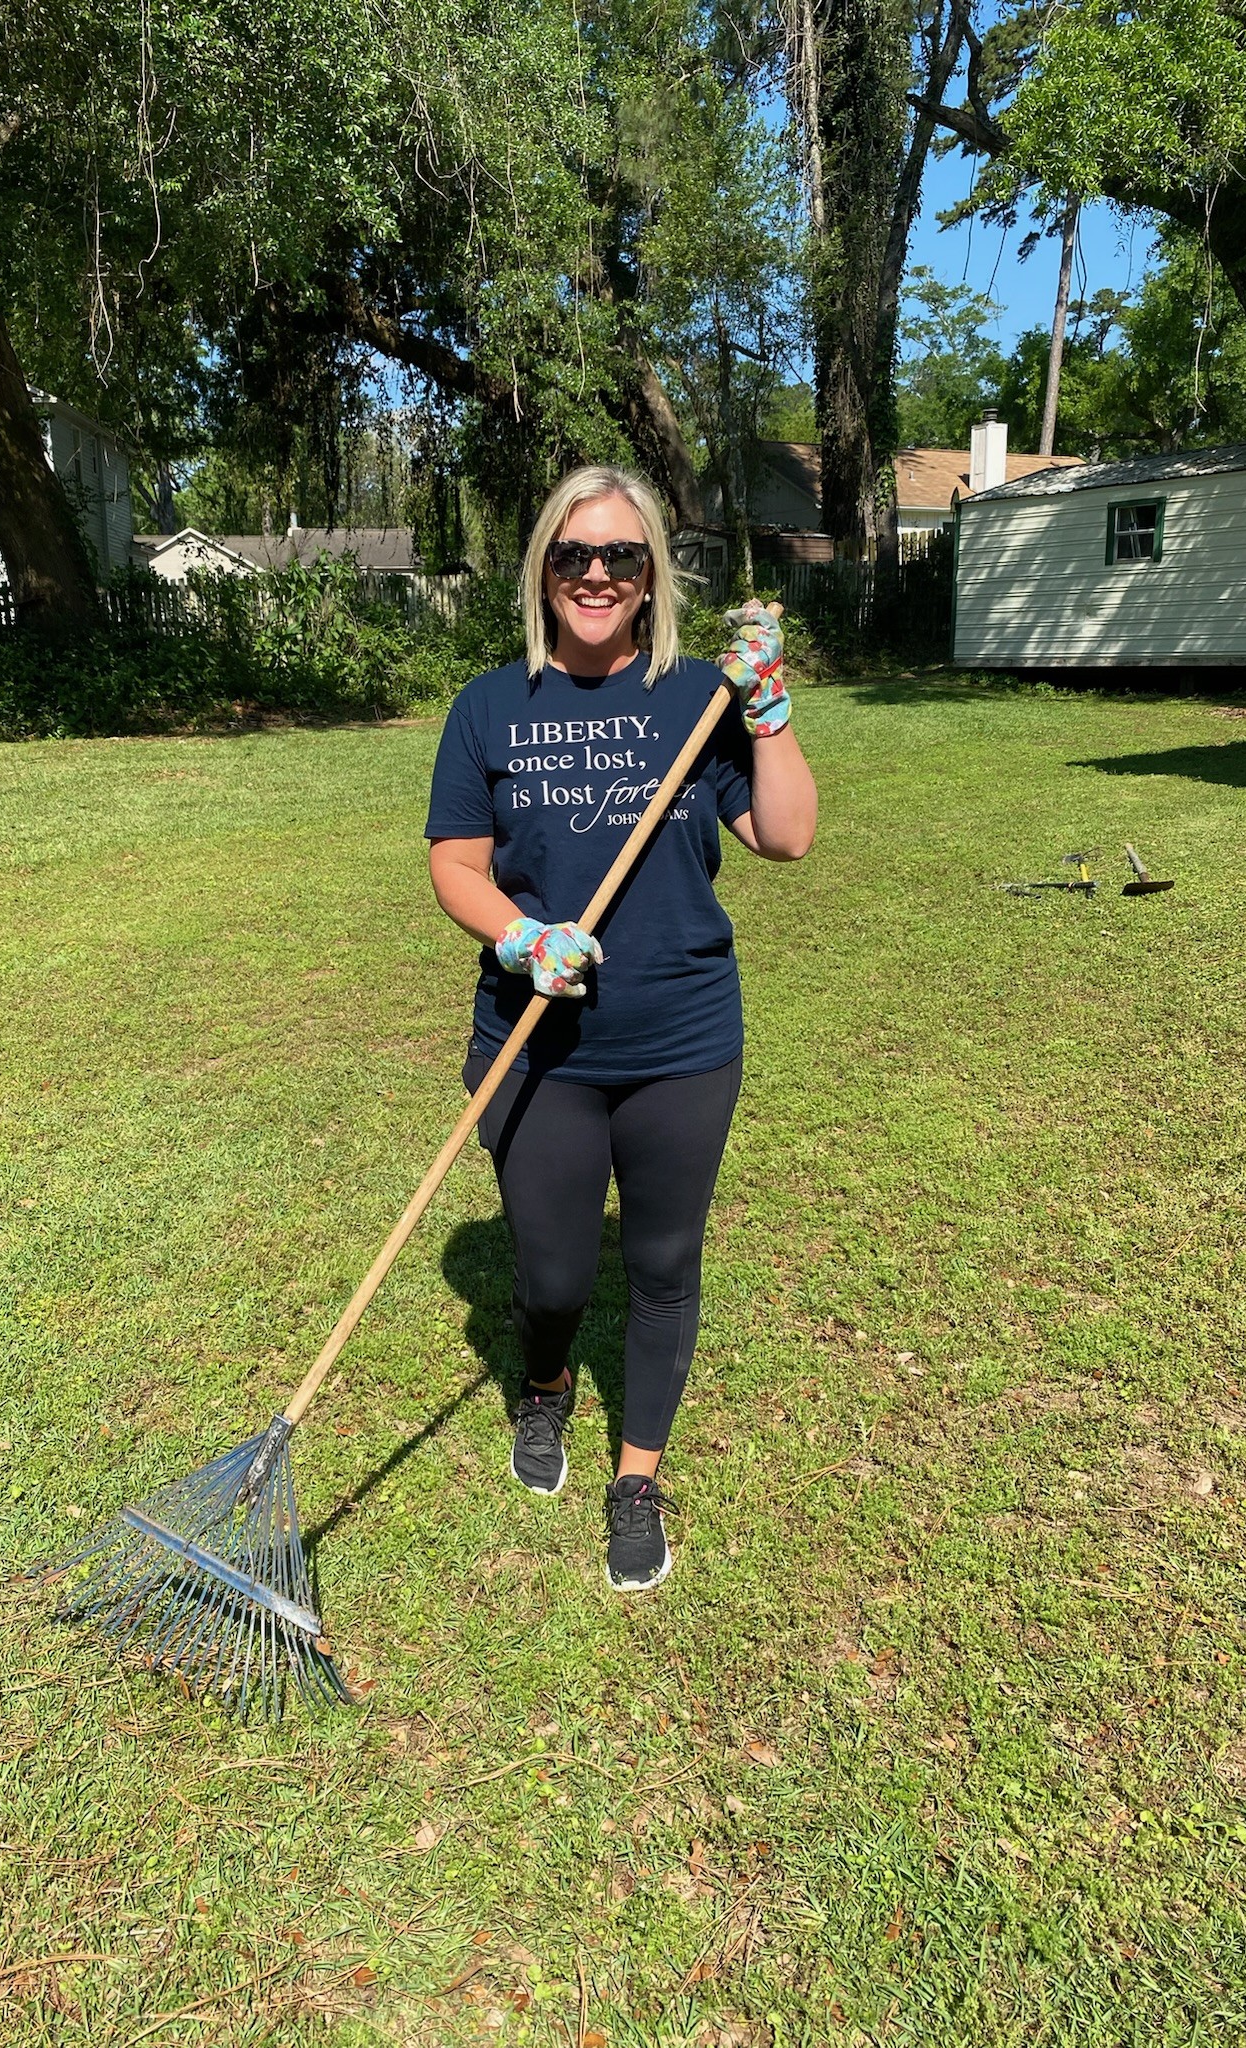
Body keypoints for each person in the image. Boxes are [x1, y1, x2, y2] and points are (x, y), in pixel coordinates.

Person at [425, 464, 816, 1593]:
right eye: (574, 554)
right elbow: (454, 861)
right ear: (543, 569)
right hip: (535, 1040)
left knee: (660, 1261)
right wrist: (515, 937)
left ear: (650, 579)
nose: (597, 573)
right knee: (551, 1272)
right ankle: (546, 1383)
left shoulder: (699, 698)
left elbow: (784, 836)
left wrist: (770, 712)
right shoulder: (490, 706)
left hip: (681, 1036)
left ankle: (637, 1473)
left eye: (622, 556)